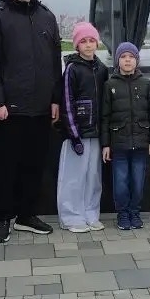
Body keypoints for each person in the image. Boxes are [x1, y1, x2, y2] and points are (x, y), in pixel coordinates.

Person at [0, 0, 62, 244]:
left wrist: (55, 98)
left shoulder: (46, 17)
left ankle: (27, 215)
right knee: (3, 166)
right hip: (7, 109)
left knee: (34, 164)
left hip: (40, 107)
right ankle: (3, 217)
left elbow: (55, 61)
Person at [101, 42, 150, 230]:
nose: (127, 60)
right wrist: (105, 144)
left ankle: (134, 212)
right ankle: (122, 214)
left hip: (141, 143)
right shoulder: (110, 85)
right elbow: (104, 117)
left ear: (136, 60)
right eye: (123, 57)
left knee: (137, 182)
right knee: (120, 182)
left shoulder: (146, 84)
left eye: (131, 57)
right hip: (119, 144)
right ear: (117, 60)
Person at [55, 22, 108, 232]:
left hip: (96, 133)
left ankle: (91, 214)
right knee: (73, 178)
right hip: (76, 134)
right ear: (77, 45)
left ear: (97, 43)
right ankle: (71, 217)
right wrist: (74, 134)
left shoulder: (102, 69)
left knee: (93, 178)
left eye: (91, 40)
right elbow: (67, 102)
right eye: (83, 41)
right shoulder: (72, 69)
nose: (88, 45)